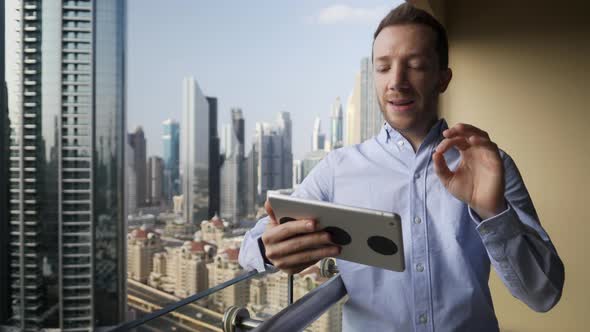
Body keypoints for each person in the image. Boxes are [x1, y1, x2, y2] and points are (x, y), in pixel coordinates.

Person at [239, 3, 564, 331]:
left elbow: (544, 295)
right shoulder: (337, 168)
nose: (397, 81)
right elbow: (251, 245)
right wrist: (268, 249)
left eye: (417, 66)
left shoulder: (489, 165)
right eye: (383, 68)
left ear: (443, 78)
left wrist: (493, 212)